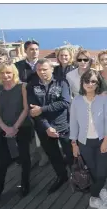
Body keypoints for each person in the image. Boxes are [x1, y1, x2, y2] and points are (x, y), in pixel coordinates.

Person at [0, 62, 32, 206]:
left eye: (8, 73)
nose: (5, 76)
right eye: (2, 73)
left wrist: (15, 127)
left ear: (14, 73)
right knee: (1, 163)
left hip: (22, 127)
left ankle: (25, 184)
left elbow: (26, 109)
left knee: (25, 158)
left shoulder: (23, 86)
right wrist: (6, 128)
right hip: (3, 130)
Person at [70, 69, 107, 209]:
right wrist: (74, 144)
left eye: (93, 81)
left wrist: (106, 140)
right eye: (87, 81)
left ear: (98, 83)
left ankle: (93, 196)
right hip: (84, 143)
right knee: (93, 171)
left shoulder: (104, 99)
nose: (90, 84)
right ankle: (98, 193)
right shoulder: (76, 101)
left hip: (101, 141)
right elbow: (73, 124)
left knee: (102, 172)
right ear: (82, 83)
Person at [27, 59, 72, 194]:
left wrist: (43, 108)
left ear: (51, 69)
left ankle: (77, 176)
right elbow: (33, 111)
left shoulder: (62, 82)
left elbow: (65, 102)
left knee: (70, 154)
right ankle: (61, 176)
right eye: (39, 70)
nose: (42, 72)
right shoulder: (31, 86)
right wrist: (47, 127)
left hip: (63, 125)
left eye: (45, 69)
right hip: (43, 128)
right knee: (53, 155)